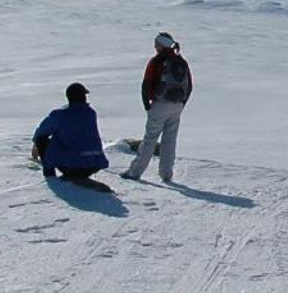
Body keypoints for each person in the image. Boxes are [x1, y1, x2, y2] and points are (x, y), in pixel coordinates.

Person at [122, 31, 192, 182]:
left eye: (156, 44)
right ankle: (166, 174)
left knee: (150, 139)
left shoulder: (157, 61)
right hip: (177, 106)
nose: (155, 47)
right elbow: (189, 85)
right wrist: (182, 104)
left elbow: (147, 83)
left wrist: (147, 104)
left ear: (161, 45)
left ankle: (135, 172)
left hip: (159, 104)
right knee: (170, 140)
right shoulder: (181, 61)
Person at [31, 83, 112, 187]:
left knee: (42, 138)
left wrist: (36, 144)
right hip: (94, 164)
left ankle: (50, 175)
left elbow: (41, 132)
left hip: (72, 166)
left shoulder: (59, 114)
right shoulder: (90, 112)